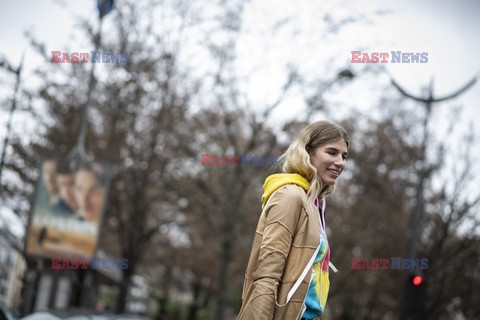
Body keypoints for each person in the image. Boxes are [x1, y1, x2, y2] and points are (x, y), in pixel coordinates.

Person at [236, 120, 349, 320]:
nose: (341, 162)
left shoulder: (313, 204)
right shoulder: (290, 196)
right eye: (332, 153)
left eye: (344, 156)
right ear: (307, 152)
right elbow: (267, 275)